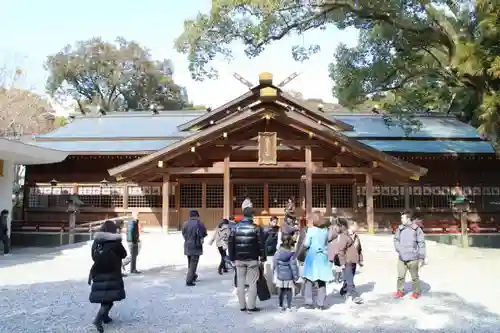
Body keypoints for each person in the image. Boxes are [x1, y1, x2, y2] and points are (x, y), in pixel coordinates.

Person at [88, 220, 127, 333]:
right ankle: (98, 319)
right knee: (109, 298)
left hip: (98, 271)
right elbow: (123, 254)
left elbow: (93, 256)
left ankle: (105, 317)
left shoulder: (97, 241)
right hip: (112, 272)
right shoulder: (115, 241)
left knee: (104, 294)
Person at [228, 207, 266, 312]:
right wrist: (263, 257)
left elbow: (230, 244)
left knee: (240, 282)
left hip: (239, 259)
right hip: (252, 259)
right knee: (252, 282)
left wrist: (231, 258)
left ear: (243, 215)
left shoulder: (235, 228)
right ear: (252, 216)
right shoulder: (257, 228)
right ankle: (251, 306)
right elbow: (261, 245)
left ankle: (242, 306)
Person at [301, 212, 334, 310]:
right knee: (321, 280)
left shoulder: (311, 230)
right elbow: (328, 241)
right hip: (322, 256)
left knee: (309, 280)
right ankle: (320, 303)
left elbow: (306, 244)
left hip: (312, 256)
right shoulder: (325, 231)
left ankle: (308, 302)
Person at [393, 210, 426, 299]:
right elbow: (396, 240)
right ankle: (400, 291)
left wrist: (421, 257)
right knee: (400, 276)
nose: (401, 219)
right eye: (401, 218)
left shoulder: (416, 229)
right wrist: (398, 249)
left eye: (402, 218)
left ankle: (416, 292)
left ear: (408, 219)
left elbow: (421, 243)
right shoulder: (399, 229)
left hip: (413, 257)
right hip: (402, 257)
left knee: (414, 277)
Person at [336, 220, 364, 304]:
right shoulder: (344, 236)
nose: (357, 227)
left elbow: (359, 249)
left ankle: (343, 290)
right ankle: (355, 296)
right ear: (351, 226)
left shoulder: (356, 237)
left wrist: (360, 260)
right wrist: (342, 263)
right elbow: (340, 250)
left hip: (354, 261)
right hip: (347, 261)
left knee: (348, 278)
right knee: (350, 280)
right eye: (356, 225)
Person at [273, 234, 299, 312]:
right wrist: (296, 276)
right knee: (288, 291)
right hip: (289, 276)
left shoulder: (278, 252)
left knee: (281, 290)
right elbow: (293, 266)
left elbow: (274, 263)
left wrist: (275, 271)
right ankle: (289, 306)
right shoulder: (291, 253)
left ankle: (280, 305)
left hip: (280, 275)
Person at [182, 210, 208, 286]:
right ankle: (189, 280)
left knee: (190, 262)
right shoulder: (199, 223)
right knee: (193, 263)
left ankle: (193, 275)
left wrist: (187, 238)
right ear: (197, 215)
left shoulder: (185, 223)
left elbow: (183, 233)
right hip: (196, 245)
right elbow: (204, 233)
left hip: (187, 245)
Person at [328, 217, 348, 283]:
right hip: (339, 248)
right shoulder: (343, 228)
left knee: (331, 264)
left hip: (333, 248)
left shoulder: (332, 228)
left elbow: (329, 237)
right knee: (338, 264)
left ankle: (330, 278)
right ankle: (337, 278)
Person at [263, 216, 280, 294]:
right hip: (269, 253)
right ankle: (270, 288)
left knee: (276, 270)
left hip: (277, 252)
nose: (275, 223)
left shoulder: (279, 229)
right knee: (269, 271)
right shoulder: (266, 230)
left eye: (276, 221)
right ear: (270, 221)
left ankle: (275, 287)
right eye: (273, 221)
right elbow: (263, 241)